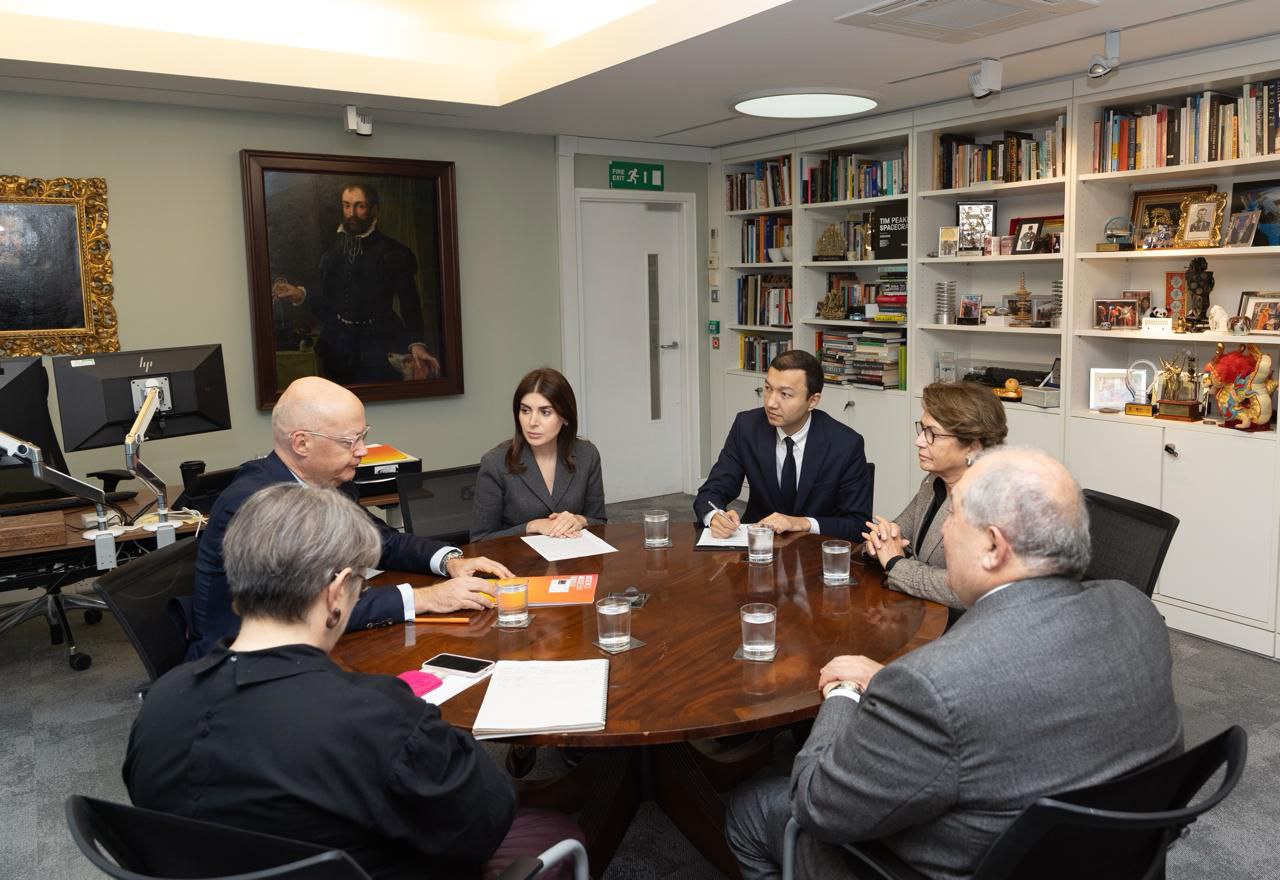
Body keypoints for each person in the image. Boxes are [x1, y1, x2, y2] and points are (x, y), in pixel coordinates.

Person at [726, 447, 1183, 880]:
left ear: (993, 546)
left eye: (957, 516)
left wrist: (844, 692)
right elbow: (1015, 698)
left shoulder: (937, 682)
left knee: (751, 806)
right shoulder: (1135, 608)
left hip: (947, 865)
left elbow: (818, 805)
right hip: (1111, 855)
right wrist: (892, 683)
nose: (943, 531)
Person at [125, 484, 582, 880]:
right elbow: (486, 819)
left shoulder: (158, 707)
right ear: (335, 592)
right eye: (360, 584)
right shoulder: (376, 716)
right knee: (563, 831)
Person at [188, 375, 512, 659]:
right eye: (350, 440)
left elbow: (382, 540)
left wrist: (448, 561)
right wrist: (426, 598)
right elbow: (315, 606)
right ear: (302, 442)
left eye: (362, 436)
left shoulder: (330, 481)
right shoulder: (256, 504)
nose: (363, 450)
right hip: (241, 666)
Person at [695, 350, 871, 542]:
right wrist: (714, 516)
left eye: (785, 394)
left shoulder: (845, 444)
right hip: (758, 549)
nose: (770, 403)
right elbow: (712, 491)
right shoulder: (746, 427)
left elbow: (857, 524)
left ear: (812, 401)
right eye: (768, 389)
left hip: (814, 553)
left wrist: (801, 523)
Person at [273, 182, 440, 384]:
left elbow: (409, 303)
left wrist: (416, 344)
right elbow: (329, 307)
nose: (351, 213)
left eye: (359, 206)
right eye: (346, 205)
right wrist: (301, 295)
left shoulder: (393, 252)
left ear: (374, 209)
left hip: (379, 346)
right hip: (337, 347)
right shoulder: (331, 253)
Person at [862, 382, 1007, 609]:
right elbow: (898, 533)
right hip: (923, 612)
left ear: (973, 447)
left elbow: (964, 590)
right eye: (922, 429)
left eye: (932, 434)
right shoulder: (934, 481)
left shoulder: (993, 500)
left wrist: (894, 562)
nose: (918, 441)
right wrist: (879, 544)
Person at [471, 367, 606, 542]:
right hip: (518, 565)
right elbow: (480, 540)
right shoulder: (495, 462)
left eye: (545, 412)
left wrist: (580, 520)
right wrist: (532, 526)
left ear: (565, 416)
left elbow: (600, 522)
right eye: (525, 410)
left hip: (575, 562)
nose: (532, 422)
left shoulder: (587, 454)